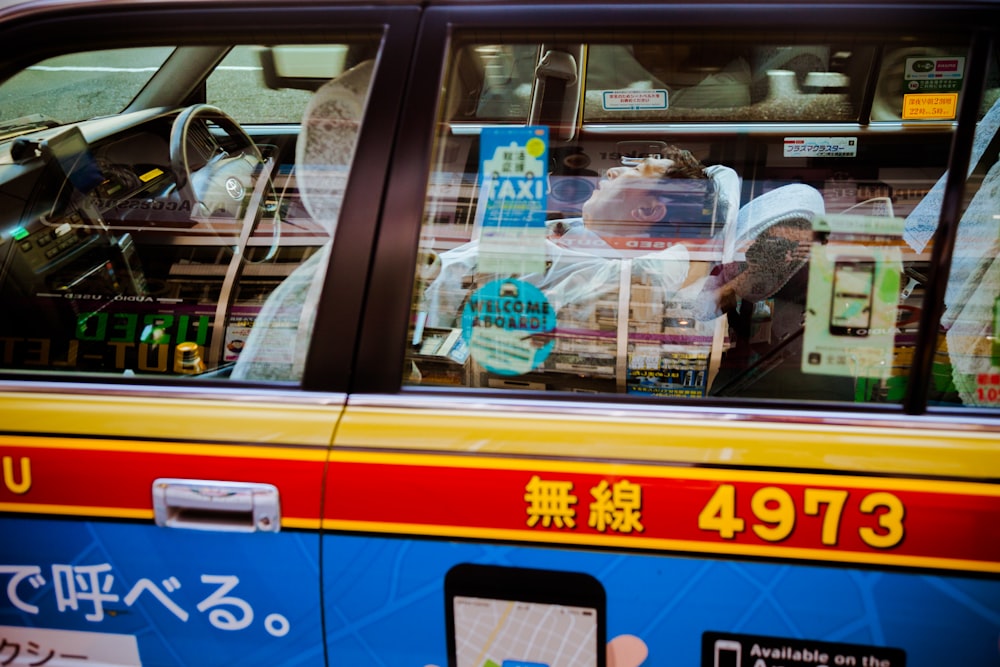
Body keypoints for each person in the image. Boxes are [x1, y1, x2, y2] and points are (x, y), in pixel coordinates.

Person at [418, 146, 743, 391]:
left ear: (647, 210)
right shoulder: (584, 241)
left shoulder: (610, 276)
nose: (612, 171)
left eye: (638, 169)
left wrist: (700, 253)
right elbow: (724, 176)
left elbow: (431, 285)